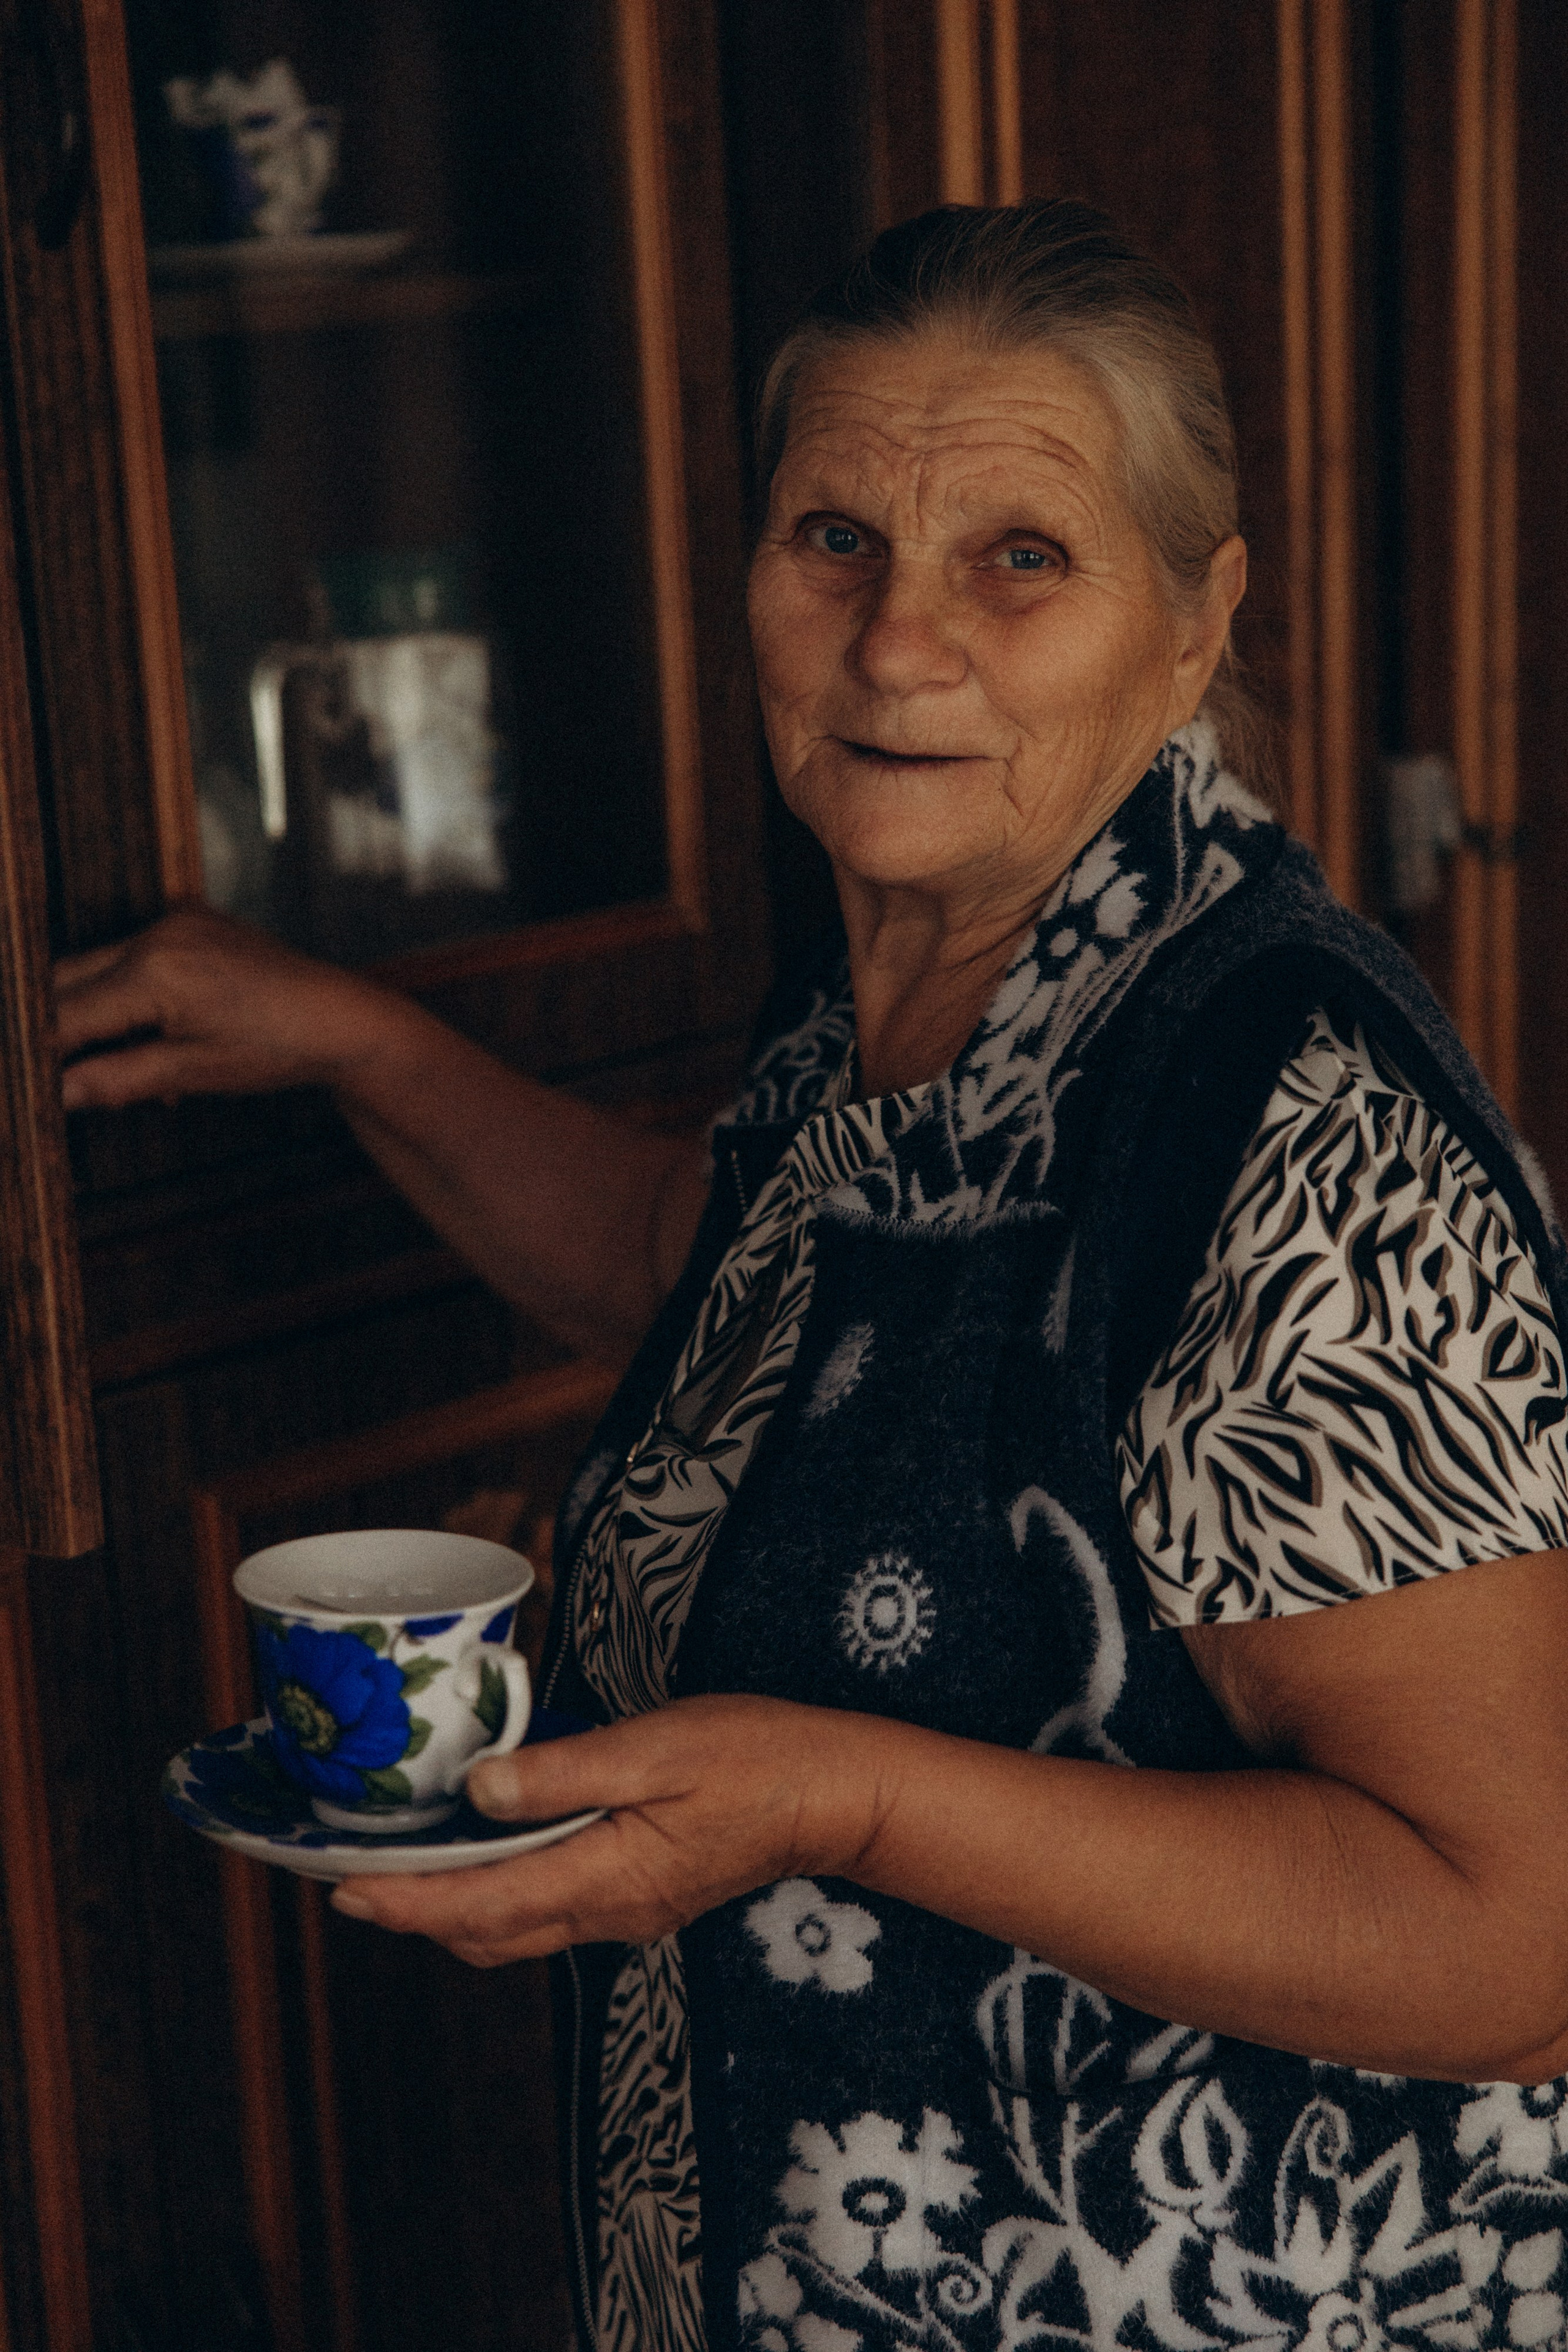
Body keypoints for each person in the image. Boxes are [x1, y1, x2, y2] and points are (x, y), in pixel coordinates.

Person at [58, 202, 1568, 2352]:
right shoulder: (935, 966)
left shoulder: (1282, 1134)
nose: (894, 644)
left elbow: (1520, 1946)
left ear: (1195, 617)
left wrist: (836, 1795)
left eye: (1018, 557)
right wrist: (359, 1043)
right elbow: (725, 1294)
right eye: (833, 536)